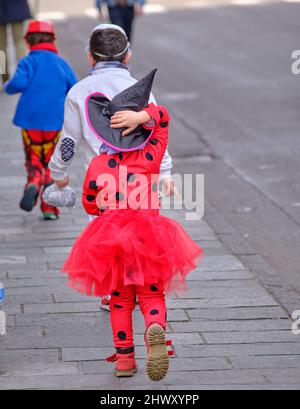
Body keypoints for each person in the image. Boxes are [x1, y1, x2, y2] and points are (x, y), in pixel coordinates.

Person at [62, 70, 203, 381]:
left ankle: (125, 360)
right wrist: (143, 116)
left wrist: (99, 204)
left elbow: (89, 203)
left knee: (120, 299)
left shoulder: (99, 166)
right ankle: (155, 329)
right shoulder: (150, 156)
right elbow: (163, 118)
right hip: (148, 233)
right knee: (152, 293)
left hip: (111, 236)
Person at [49, 24, 175, 308]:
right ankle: (147, 296)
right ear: (127, 56)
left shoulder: (79, 92)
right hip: (141, 178)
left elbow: (69, 141)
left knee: (107, 238)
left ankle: (114, 294)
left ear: (90, 57)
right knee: (141, 234)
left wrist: (58, 174)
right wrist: (165, 170)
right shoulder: (141, 91)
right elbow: (157, 132)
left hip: (102, 182)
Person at [5, 20, 77, 220]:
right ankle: (49, 209)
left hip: (30, 123)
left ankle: (33, 182)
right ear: (53, 40)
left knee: (34, 159)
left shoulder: (27, 62)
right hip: (55, 123)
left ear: (28, 42)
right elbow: (75, 87)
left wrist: (9, 85)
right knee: (53, 163)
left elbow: (16, 84)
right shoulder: (61, 63)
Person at [0, 0, 32, 83]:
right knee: (19, 42)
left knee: (1, 46)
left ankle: (4, 77)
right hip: (16, 5)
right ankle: (22, 74)